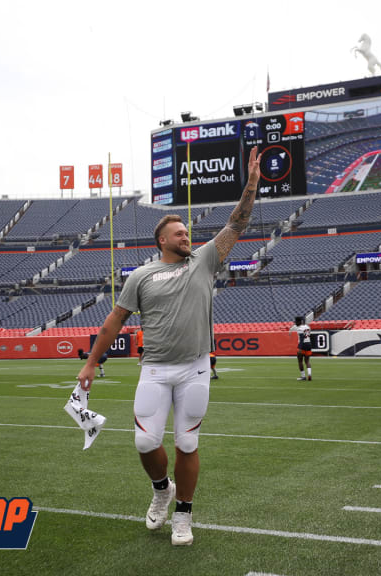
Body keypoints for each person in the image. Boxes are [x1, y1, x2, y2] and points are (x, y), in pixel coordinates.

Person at [77, 146, 262, 547]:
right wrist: (91, 363)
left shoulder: (204, 260)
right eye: (179, 233)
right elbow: (114, 321)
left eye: (187, 232)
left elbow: (239, 221)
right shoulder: (141, 275)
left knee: (187, 442)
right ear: (163, 240)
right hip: (156, 368)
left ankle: (184, 515)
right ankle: (163, 489)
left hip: (195, 367)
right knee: (145, 442)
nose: (187, 237)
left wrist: (251, 184)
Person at [289, 316, 313, 381]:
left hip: (302, 345)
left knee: (300, 361)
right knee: (307, 361)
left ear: (299, 321)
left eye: (296, 322)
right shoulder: (307, 327)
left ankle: (303, 376)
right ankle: (309, 374)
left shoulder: (299, 329)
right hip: (309, 344)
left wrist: (300, 348)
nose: (295, 323)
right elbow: (308, 335)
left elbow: (302, 338)